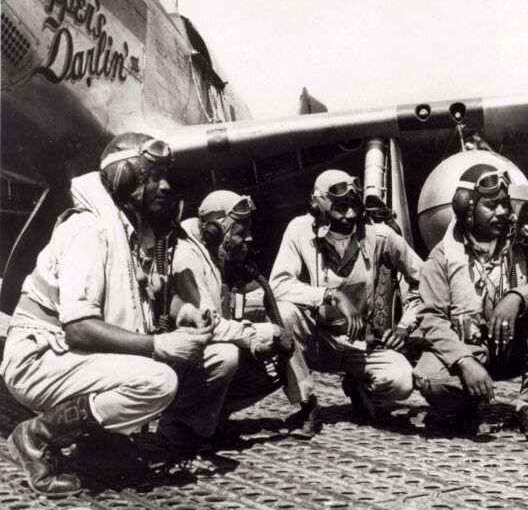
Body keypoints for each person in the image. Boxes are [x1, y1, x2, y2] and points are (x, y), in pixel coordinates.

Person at [0, 133, 218, 497]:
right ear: (124, 177)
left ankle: (103, 439)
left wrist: (186, 313)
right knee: (157, 380)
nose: (166, 186)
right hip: (37, 359)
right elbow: (79, 330)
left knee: (192, 361)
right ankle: (36, 437)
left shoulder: (125, 231)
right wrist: (161, 344)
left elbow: (145, 297)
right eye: (152, 176)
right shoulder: (90, 231)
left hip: (64, 356)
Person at [412, 164, 528, 437]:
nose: (503, 212)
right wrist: (463, 362)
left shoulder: (523, 243)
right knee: (430, 380)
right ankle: (466, 405)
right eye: (492, 206)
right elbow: (431, 318)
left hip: (511, 347)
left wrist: (517, 297)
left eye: (505, 204)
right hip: (469, 348)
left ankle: (527, 407)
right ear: (468, 212)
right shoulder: (442, 257)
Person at [269, 169, 422, 438]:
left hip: (361, 340)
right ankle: (308, 405)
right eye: (340, 208)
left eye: (354, 207)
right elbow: (277, 285)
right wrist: (330, 295)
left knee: (402, 382)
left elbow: (425, 279)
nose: (350, 216)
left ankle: (359, 386)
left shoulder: (380, 235)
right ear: (318, 207)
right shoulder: (298, 230)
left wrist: (405, 327)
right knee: (283, 312)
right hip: (316, 338)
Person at [170, 190, 294, 428]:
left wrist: (258, 345)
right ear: (216, 230)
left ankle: (210, 414)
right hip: (183, 358)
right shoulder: (188, 258)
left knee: (276, 364)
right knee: (227, 356)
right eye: (241, 232)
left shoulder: (214, 252)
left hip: (202, 353)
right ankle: (181, 423)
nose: (249, 239)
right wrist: (267, 333)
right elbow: (210, 327)